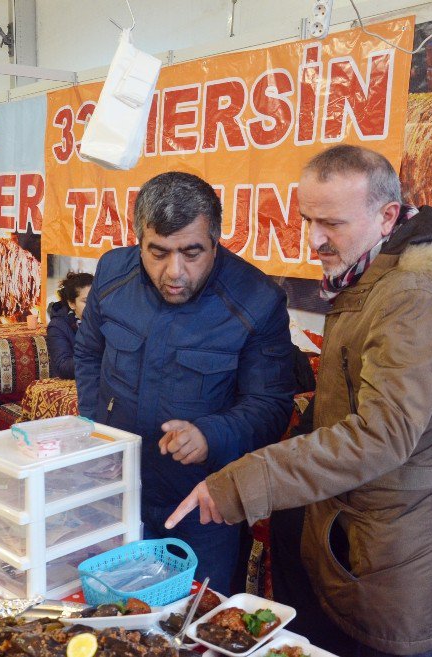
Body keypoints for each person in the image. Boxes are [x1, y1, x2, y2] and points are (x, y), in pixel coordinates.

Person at [166, 145, 432, 657]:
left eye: (331, 223)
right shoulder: (370, 278)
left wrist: (246, 481)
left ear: (387, 215)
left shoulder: (413, 297)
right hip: (358, 540)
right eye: (307, 219)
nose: (313, 239)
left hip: (393, 559)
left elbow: (380, 434)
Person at [74, 171, 296, 595]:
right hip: (117, 489)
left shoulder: (257, 299)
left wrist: (210, 434)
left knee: (191, 624)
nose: (174, 271)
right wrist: (93, 429)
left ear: (216, 240)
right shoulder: (111, 273)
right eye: (157, 253)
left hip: (201, 506)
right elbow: (88, 354)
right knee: (107, 610)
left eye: (192, 252)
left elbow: (270, 404)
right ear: (139, 239)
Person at [46, 271, 93, 379]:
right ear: (72, 304)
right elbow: (63, 366)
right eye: (86, 301)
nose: (92, 306)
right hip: (72, 383)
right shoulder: (58, 326)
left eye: (95, 300)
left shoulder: (107, 320)